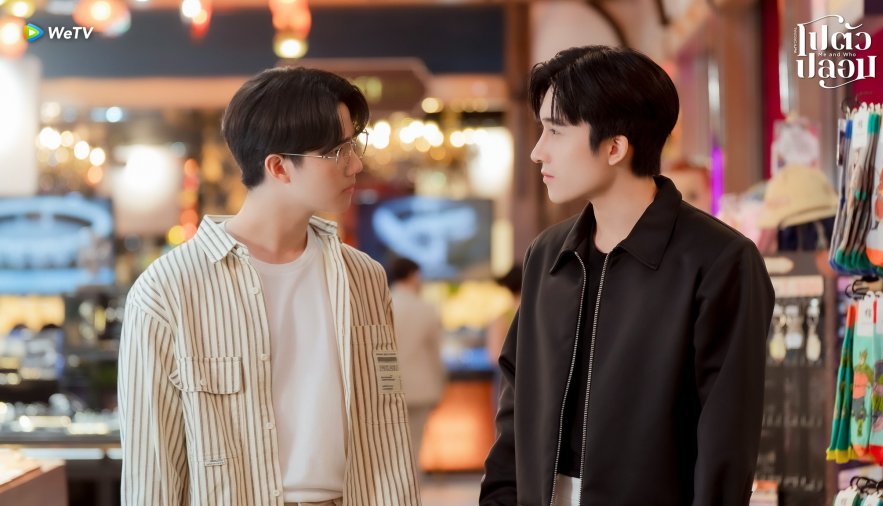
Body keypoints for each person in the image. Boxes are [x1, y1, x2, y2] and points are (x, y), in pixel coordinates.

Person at [480, 45, 775, 506]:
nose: (538, 152)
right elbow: (516, 405)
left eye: (555, 131)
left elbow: (726, 443)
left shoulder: (720, 261)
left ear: (615, 147)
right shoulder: (549, 254)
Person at [118, 66, 421, 506]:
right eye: (338, 151)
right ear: (279, 167)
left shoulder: (364, 278)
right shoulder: (167, 291)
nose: (356, 163)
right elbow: (153, 472)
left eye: (355, 145)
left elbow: (386, 426)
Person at [389, 257, 446, 477]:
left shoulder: (382, 304)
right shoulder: (426, 308)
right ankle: (411, 492)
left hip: (389, 387)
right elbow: (435, 353)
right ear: (413, 275)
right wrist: (440, 386)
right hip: (421, 387)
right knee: (414, 446)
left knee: (390, 447)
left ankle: (391, 492)